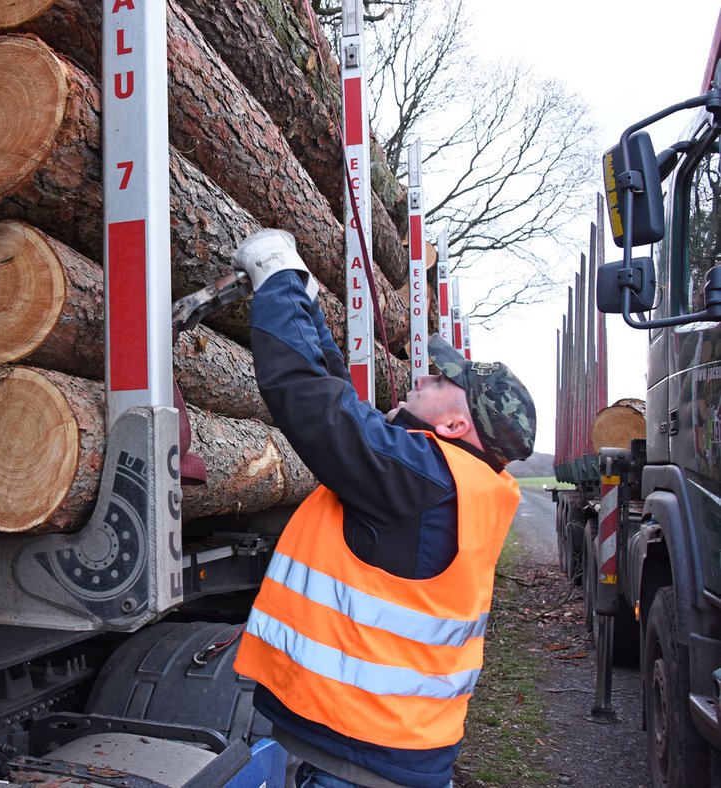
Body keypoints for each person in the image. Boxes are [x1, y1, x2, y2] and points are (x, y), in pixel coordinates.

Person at [228, 229, 536, 788]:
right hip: (394, 747)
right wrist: (303, 297)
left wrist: (275, 277)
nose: (425, 375)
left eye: (442, 380)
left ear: (455, 426)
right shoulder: (456, 486)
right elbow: (339, 397)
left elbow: (308, 397)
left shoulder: (421, 477)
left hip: (363, 755)